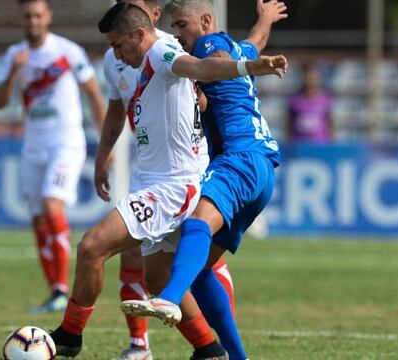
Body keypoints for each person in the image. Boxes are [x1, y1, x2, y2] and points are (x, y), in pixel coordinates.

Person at [48, 3, 287, 359]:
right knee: (158, 276)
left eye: (118, 45)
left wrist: (249, 67)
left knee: (92, 247)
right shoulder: (133, 63)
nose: (115, 54)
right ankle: (211, 351)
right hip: (158, 182)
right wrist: (264, 20)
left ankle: (70, 335)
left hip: (175, 186)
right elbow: (245, 46)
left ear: (139, 34)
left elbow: (201, 67)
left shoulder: (162, 51)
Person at [121, 1, 287, 359]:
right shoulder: (236, 47)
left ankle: (167, 298)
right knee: (201, 266)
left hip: (239, 157)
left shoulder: (210, 46)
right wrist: (265, 19)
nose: (177, 33)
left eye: (182, 24)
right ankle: (234, 356)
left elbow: (214, 65)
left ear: (207, 22)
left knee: (197, 225)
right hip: (261, 170)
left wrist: (250, 65)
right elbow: (255, 41)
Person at [101, 1, 235, 359]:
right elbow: (117, 111)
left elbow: (203, 90)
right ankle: (144, 345)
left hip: (179, 175)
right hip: (146, 170)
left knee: (203, 262)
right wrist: (103, 156)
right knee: (148, 267)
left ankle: (221, 343)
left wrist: (244, 68)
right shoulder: (116, 56)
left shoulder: (165, 48)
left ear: (152, 14)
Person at [0, 0, 106, 313]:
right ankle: (56, 290)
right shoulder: (15, 55)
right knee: (38, 218)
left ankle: (63, 290)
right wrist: (14, 71)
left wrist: (104, 143)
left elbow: (94, 95)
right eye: (28, 15)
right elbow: (0, 101)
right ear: (21, 18)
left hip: (65, 142)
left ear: (48, 17)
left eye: (38, 15)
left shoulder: (67, 52)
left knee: (51, 204)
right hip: (33, 145)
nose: (32, 21)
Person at [287, 62, 333, 142]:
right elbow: (289, 124)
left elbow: (330, 123)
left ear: (318, 78)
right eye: (307, 76)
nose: (310, 79)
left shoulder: (325, 99)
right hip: (299, 145)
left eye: (312, 77)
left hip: (319, 145)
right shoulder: (294, 99)